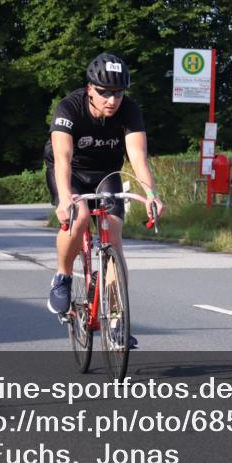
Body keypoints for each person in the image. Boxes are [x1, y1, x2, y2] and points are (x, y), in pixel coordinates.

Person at [45, 53, 167, 343]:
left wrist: (151, 194)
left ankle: (115, 320)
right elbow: (62, 158)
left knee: (112, 235)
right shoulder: (69, 107)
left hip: (106, 173)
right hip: (70, 172)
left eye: (118, 93)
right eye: (104, 93)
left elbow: (137, 156)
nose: (112, 100)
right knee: (81, 216)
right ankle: (62, 276)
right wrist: (65, 198)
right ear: (90, 89)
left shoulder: (130, 110)